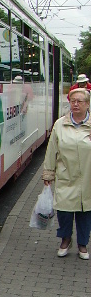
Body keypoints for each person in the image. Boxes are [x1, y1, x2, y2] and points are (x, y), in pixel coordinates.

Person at [43, 88, 91, 259]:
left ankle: (83, 244)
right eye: (72, 101)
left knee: (85, 212)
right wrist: (48, 173)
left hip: (87, 178)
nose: (75, 104)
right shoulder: (60, 124)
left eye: (80, 101)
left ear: (87, 104)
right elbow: (51, 151)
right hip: (66, 175)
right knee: (64, 211)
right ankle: (65, 239)